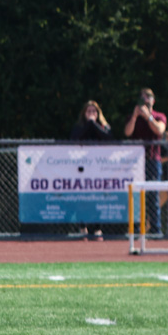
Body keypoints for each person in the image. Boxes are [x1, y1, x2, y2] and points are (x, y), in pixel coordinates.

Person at [124, 88, 168, 227]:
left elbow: (159, 130)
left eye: (148, 97)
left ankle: (156, 229)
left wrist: (148, 116)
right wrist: (135, 116)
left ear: (153, 100)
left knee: (153, 195)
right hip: (136, 162)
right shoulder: (133, 116)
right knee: (136, 196)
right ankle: (136, 229)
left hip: (153, 160)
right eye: (143, 97)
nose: (146, 100)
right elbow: (127, 132)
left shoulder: (159, 116)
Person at [69, 100, 112, 240]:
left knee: (98, 198)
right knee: (81, 199)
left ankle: (97, 228)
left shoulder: (104, 126)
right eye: (89, 111)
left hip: (99, 169)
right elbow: (75, 138)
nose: (91, 114)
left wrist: (94, 124)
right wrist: (89, 124)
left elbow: (108, 139)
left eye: (94, 111)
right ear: (84, 114)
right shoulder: (79, 127)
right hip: (81, 169)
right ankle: (83, 228)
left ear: (98, 113)